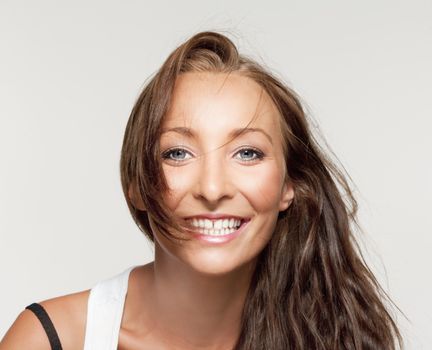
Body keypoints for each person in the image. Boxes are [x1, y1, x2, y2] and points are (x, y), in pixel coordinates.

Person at [0, 31, 403, 350]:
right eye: (178, 153)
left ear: (289, 186)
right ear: (138, 183)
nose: (212, 188)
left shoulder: (336, 337)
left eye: (247, 153)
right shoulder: (50, 340)